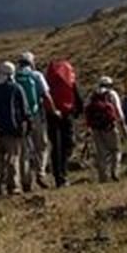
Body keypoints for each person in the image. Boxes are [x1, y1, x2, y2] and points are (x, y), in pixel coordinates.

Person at [0, 62, 30, 195]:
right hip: (12, 129)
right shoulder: (15, 88)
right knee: (12, 158)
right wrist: (27, 125)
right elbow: (25, 110)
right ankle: (13, 186)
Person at [15, 52, 57, 190]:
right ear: (31, 62)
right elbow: (46, 95)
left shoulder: (14, 77)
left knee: (24, 151)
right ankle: (40, 173)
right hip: (36, 115)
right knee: (42, 145)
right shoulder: (36, 75)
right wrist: (54, 111)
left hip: (20, 119)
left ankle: (26, 181)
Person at [44, 59, 83, 188]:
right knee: (68, 145)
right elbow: (77, 96)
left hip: (52, 115)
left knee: (56, 146)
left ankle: (58, 176)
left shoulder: (48, 80)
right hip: (67, 114)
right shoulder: (69, 80)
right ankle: (63, 173)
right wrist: (78, 112)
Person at [83, 78, 127, 182]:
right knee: (116, 150)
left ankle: (103, 177)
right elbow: (118, 110)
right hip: (110, 126)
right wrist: (123, 125)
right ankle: (115, 171)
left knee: (101, 153)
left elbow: (86, 110)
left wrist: (88, 127)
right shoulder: (112, 94)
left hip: (96, 128)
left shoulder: (92, 95)